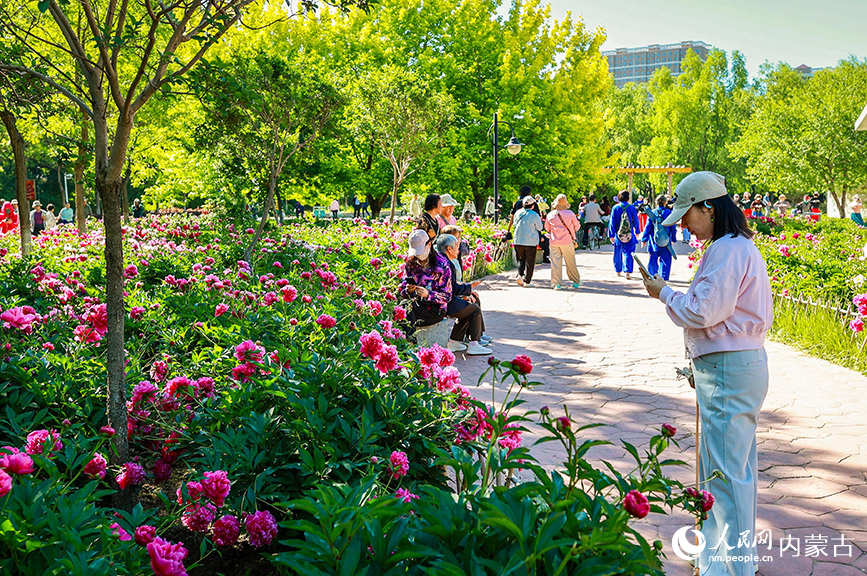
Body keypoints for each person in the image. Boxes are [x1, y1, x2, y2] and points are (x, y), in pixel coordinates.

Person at [640, 171, 772, 576]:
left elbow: (703, 311)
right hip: (732, 366)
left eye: (687, 214)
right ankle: (720, 560)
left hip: (729, 369)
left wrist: (663, 292)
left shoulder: (728, 249)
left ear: (709, 207)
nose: (682, 224)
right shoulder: (733, 245)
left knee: (725, 478)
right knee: (728, 474)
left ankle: (731, 569)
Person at [435, 234, 492, 354]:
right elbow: (453, 288)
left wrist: (467, 291)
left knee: (467, 307)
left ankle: (454, 341)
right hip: (442, 301)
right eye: (456, 246)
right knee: (474, 309)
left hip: (438, 298)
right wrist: (469, 287)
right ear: (449, 249)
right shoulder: (447, 264)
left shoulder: (439, 259)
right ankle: (474, 344)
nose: (458, 249)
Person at [399, 228, 451, 333]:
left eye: (420, 251)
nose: (418, 255)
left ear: (429, 245)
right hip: (414, 304)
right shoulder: (410, 264)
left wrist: (428, 294)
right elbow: (402, 288)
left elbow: (447, 296)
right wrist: (408, 290)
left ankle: (410, 342)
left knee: (406, 309)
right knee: (402, 309)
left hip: (434, 310)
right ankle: (408, 342)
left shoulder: (442, 265)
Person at [544, 194, 581, 290]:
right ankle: (575, 281)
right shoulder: (570, 213)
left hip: (554, 241)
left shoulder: (550, 215)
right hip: (567, 241)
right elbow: (577, 227)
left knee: (555, 262)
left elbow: (547, 228)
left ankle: (557, 283)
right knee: (570, 261)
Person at [640, 195, 677, 281]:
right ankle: (663, 277)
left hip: (653, 241)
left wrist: (644, 239)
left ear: (656, 203)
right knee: (666, 260)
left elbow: (648, 227)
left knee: (653, 259)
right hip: (665, 240)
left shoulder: (652, 212)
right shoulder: (668, 212)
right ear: (665, 202)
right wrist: (673, 238)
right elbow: (673, 227)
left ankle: (653, 276)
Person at [607, 190, 640, 279]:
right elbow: (636, 221)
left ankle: (618, 270)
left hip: (618, 234)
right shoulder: (632, 208)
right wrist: (637, 231)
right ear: (628, 198)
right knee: (629, 252)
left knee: (617, 252)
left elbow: (612, 222)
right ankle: (628, 272)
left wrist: (611, 235)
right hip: (629, 234)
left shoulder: (615, 208)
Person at [512, 195, 543, 286]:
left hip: (518, 240)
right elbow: (540, 227)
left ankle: (520, 275)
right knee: (530, 261)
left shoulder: (518, 213)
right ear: (532, 205)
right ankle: (527, 281)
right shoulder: (534, 214)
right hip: (530, 241)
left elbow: (514, 224)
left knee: (520, 259)